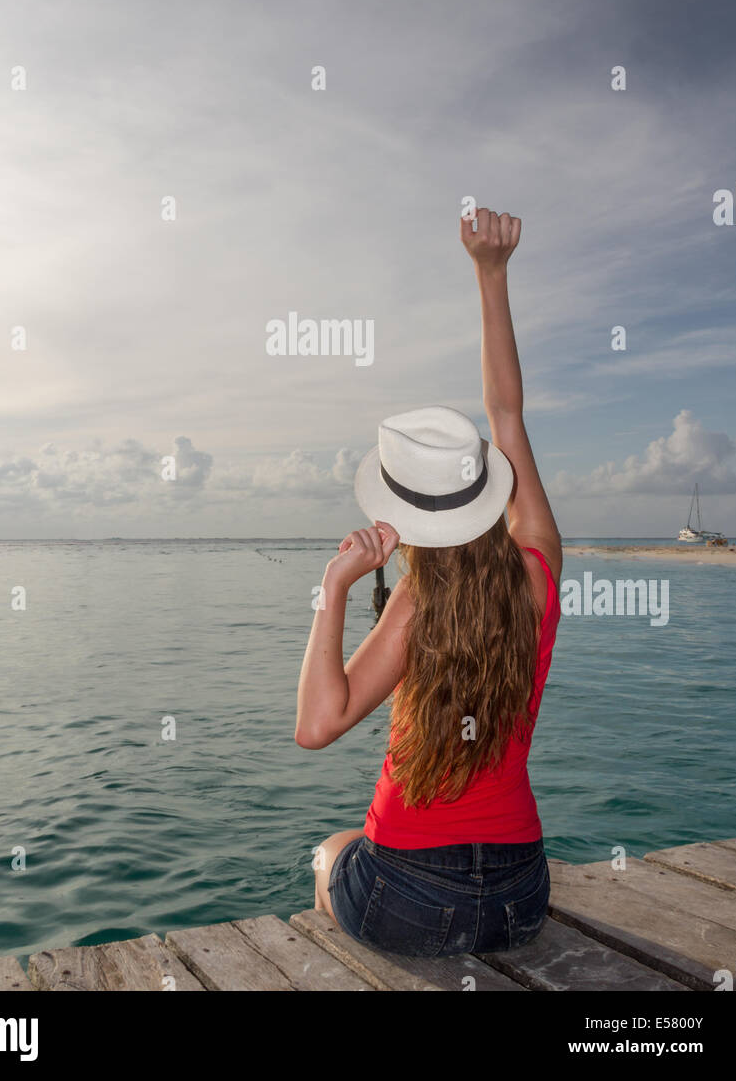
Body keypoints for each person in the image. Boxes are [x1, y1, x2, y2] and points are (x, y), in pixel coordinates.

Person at [295, 207, 562, 957]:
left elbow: (317, 726)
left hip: (410, 898)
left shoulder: (415, 604)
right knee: (363, 848)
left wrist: (337, 587)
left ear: (403, 515)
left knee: (329, 853)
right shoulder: (539, 568)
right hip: (522, 893)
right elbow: (506, 413)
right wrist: (492, 274)